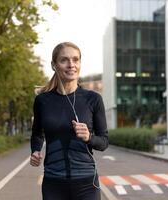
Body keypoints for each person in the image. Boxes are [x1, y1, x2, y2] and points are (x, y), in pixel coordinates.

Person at [30, 42, 108, 200]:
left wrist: (88, 137)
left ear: (80, 63)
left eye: (75, 59)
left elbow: (104, 142)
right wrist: (35, 150)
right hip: (53, 182)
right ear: (54, 65)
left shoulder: (93, 99)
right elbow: (37, 133)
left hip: (87, 183)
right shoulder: (42, 101)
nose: (71, 64)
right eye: (64, 60)